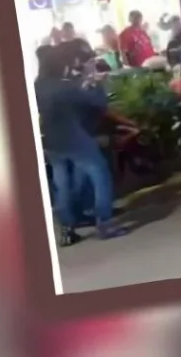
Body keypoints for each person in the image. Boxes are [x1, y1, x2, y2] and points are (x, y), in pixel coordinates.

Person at [34, 43, 126, 244]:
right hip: (74, 137)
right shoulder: (63, 87)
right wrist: (95, 84)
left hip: (51, 140)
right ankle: (105, 222)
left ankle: (67, 229)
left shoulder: (37, 86)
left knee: (62, 183)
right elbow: (97, 103)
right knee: (100, 173)